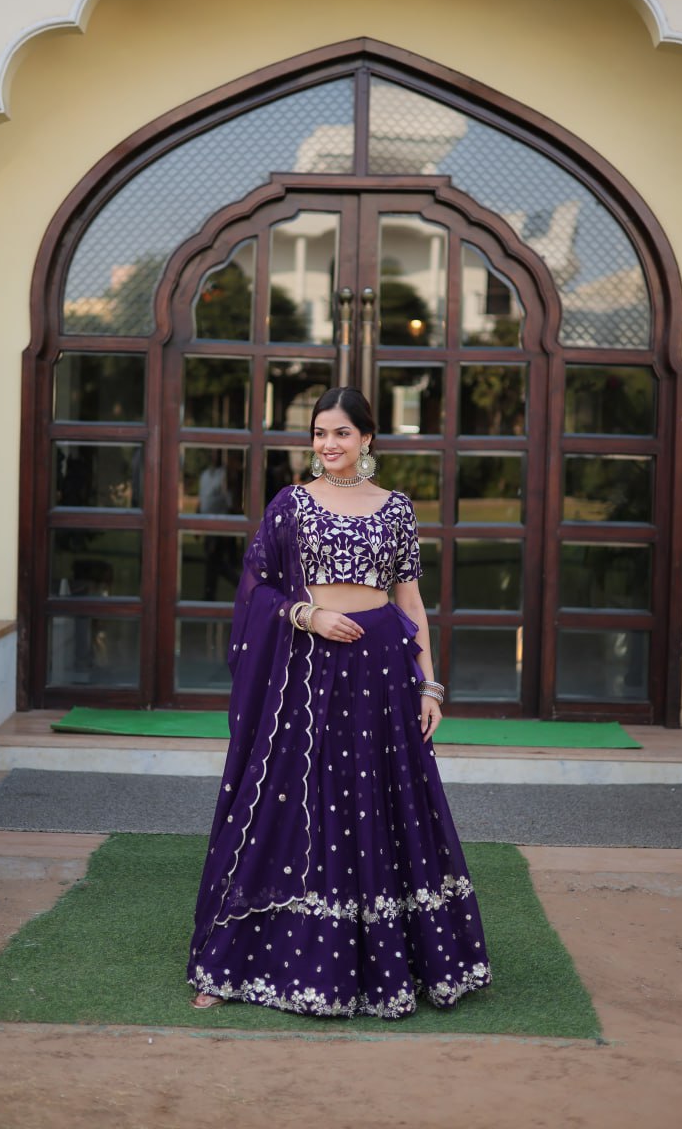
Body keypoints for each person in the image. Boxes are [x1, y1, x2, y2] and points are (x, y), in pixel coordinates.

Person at [187, 387, 491, 1018]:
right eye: (320, 433)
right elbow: (255, 589)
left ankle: (394, 962)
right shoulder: (290, 505)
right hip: (307, 663)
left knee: (380, 801)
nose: (329, 445)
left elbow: (409, 602)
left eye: (342, 433)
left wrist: (429, 684)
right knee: (286, 799)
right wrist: (307, 614)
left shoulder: (396, 509)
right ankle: (233, 957)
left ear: (367, 438)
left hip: (380, 666)